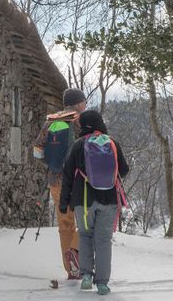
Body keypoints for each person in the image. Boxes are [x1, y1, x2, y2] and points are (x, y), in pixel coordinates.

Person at [60, 110, 129, 296]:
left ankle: (86, 277)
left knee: (85, 236)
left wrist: (64, 202)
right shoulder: (112, 143)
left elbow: (66, 175)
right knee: (103, 241)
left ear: (83, 125)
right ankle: (103, 284)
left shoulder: (78, 145)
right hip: (109, 201)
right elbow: (124, 170)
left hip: (83, 202)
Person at [32, 87, 87, 280]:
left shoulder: (51, 121)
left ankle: (71, 270)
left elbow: (37, 152)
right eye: (84, 101)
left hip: (55, 180)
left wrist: (53, 163)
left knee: (65, 224)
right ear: (79, 103)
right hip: (77, 181)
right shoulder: (79, 120)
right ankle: (75, 250)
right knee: (88, 221)